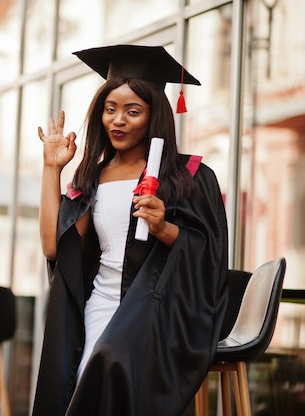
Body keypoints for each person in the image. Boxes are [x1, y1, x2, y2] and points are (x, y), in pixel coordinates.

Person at [32, 44, 229, 415]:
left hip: (159, 310)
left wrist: (163, 227)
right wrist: (51, 170)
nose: (118, 120)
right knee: (78, 370)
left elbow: (210, 256)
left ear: (155, 116)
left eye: (132, 111)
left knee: (110, 360)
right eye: (110, 109)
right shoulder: (92, 177)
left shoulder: (191, 176)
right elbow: (54, 248)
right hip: (99, 304)